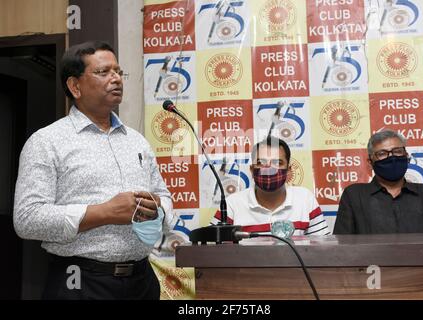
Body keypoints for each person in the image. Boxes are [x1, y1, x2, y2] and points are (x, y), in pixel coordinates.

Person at [13, 41, 173, 300]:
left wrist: (157, 208)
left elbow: (164, 196)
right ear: (74, 86)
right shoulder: (47, 141)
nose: (116, 79)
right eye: (103, 72)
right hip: (80, 283)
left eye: (118, 72)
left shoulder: (137, 141)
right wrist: (103, 213)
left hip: (142, 281)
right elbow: (27, 219)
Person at [334, 129, 423, 234]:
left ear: (406, 156)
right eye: (382, 154)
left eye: (397, 151)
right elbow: (342, 246)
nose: (392, 157)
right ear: (370, 162)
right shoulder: (354, 195)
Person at [211, 137, 330, 236]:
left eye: (278, 163)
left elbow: (322, 250)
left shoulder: (305, 199)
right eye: (261, 163)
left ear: (288, 170)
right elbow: (214, 252)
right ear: (252, 170)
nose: (269, 169)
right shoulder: (232, 204)